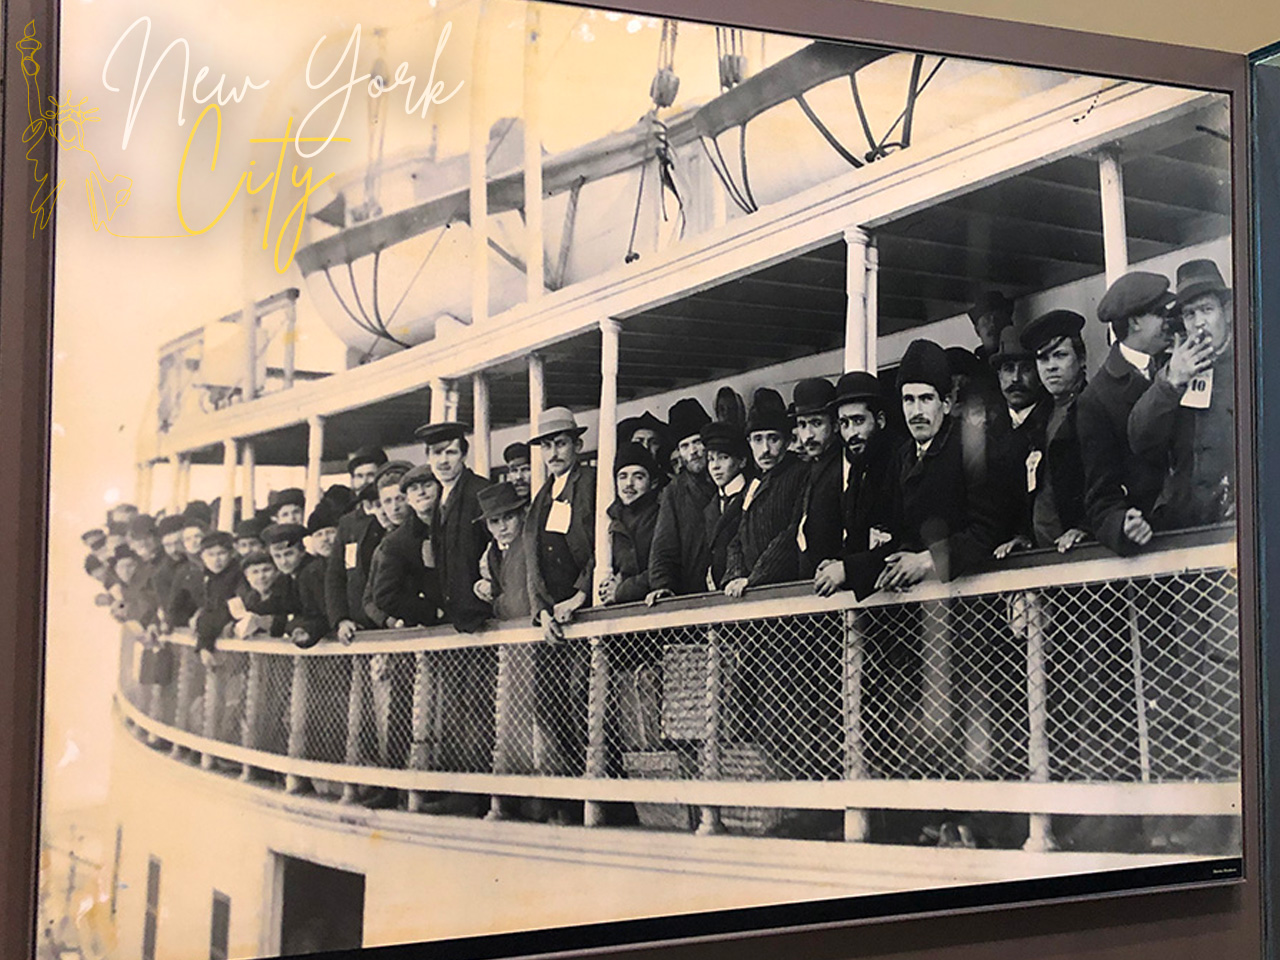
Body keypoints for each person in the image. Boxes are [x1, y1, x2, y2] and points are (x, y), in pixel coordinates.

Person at [876, 339, 1003, 590]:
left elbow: (987, 530)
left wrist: (927, 560)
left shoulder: (973, 449)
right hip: (918, 603)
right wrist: (851, 568)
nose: (916, 411)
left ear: (945, 404)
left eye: (926, 399)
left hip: (972, 599)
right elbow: (898, 534)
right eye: (908, 400)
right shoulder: (902, 457)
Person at [1129, 259, 1236, 530]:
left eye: (1206, 310)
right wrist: (1170, 382)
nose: (1199, 323)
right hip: (1185, 524)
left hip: (1237, 521)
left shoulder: (1251, 363)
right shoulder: (1171, 371)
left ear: (1228, 312)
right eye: (1190, 314)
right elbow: (1140, 439)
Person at [1077, 271, 1177, 555]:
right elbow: (1101, 498)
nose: (1169, 323)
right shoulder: (1096, 399)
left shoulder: (1179, 362)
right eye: (1160, 314)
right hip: (1153, 550)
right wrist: (1123, 524)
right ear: (1135, 322)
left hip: (1200, 529)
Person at [815, 371, 900, 599]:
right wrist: (838, 561)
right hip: (878, 601)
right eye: (844, 423)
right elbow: (858, 536)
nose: (851, 433)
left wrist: (847, 568)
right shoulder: (858, 470)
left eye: (858, 421)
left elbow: (905, 541)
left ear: (880, 420)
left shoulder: (901, 461)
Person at [751, 378, 844, 585]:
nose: (807, 435)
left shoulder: (843, 467)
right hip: (813, 584)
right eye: (802, 425)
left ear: (835, 425)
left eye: (816, 424)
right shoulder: (812, 469)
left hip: (837, 583)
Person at [1015, 310, 1091, 553]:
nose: (1051, 367)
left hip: (1086, 551)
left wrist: (1085, 527)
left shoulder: (1095, 409)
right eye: (1042, 359)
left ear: (1081, 359)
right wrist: (1023, 535)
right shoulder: (1036, 420)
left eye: (1060, 356)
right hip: (1043, 554)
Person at [723, 388, 807, 597]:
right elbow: (738, 536)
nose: (765, 449)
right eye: (757, 439)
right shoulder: (755, 483)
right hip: (750, 590)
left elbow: (792, 532)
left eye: (773, 439)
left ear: (787, 442)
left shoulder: (800, 474)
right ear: (749, 443)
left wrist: (755, 577)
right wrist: (735, 575)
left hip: (784, 589)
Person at [415, 421, 492, 633]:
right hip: (452, 619)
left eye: (451, 452)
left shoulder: (481, 491)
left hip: (482, 618)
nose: (443, 461)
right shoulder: (439, 498)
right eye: (437, 453)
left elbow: (501, 547)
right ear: (428, 457)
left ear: (464, 455)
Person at [526, 407, 595, 639]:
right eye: (546, 446)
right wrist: (542, 612)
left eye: (560, 443)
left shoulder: (590, 483)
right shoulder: (541, 497)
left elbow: (605, 543)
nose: (553, 453)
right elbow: (532, 558)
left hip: (585, 608)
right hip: (553, 617)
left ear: (578, 446)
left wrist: (580, 596)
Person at [987, 325, 1051, 557]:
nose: (1015, 378)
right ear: (998, 375)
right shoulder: (989, 432)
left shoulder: (1051, 423)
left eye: (1025, 369)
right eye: (1008, 369)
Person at [331, 460, 411, 640]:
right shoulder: (358, 530)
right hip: (371, 626)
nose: (387, 509)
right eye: (384, 503)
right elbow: (365, 594)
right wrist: (341, 619)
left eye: (399, 499)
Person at [646, 398, 716, 601]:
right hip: (693, 594)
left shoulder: (731, 477)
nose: (692, 452)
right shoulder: (674, 492)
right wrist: (662, 585)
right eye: (685, 446)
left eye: (697, 442)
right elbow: (663, 548)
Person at [371, 465, 446, 629]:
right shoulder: (395, 542)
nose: (421, 493)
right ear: (410, 497)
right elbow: (383, 595)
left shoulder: (454, 523)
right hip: (429, 628)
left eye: (427, 486)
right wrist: (431, 612)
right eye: (414, 489)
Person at [599, 443, 662, 606]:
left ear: (653, 483)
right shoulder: (612, 519)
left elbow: (664, 569)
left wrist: (622, 590)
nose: (629, 483)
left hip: (655, 608)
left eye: (638, 477)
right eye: (622, 476)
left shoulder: (662, 516)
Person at [262, 523, 330, 648]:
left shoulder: (314, 572)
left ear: (302, 551)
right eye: (277, 556)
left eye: (288, 554)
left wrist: (295, 626)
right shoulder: (283, 579)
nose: (283, 562)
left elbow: (323, 614)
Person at [701, 421, 750, 591]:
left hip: (746, 589)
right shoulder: (711, 506)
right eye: (711, 459)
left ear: (742, 461)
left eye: (723, 457)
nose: (715, 466)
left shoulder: (752, 495)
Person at [474, 483, 531, 622]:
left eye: (509, 518)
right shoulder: (493, 552)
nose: (503, 527)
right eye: (494, 521)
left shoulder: (529, 545)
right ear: (487, 525)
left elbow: (520, 603)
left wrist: (495, 599)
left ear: (522, 515)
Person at [191, 531, 244, 661]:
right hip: (218, 638)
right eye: (210, 555)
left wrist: (204, 643)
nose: (216, 559)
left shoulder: (237, 574)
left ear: (232, 554)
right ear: (202, 557)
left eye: (221, 553)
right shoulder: (208, 578)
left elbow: (222, 610)